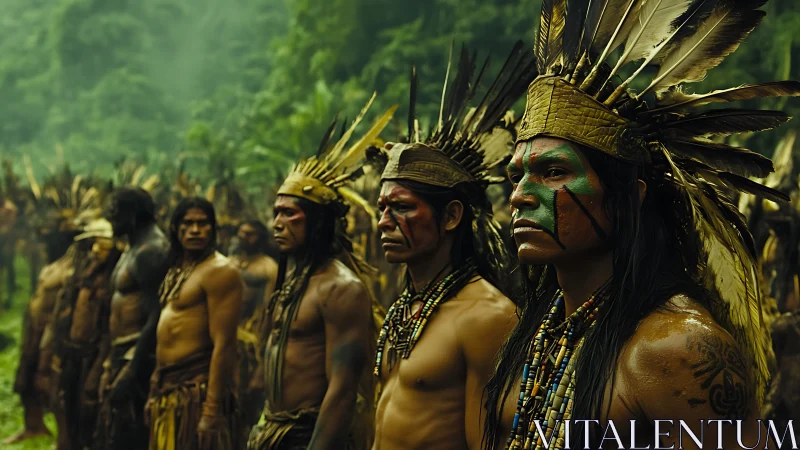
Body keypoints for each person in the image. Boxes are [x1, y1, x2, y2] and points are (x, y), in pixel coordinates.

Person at [484, 1, 800, 448]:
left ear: (628, 196)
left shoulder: (679, 349)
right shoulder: (536, 336)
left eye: (554, 172)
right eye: (516, 175)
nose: (519, 194)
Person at [368, 44, 534, 450]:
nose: (384, 221)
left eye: (402, 208)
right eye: (382, 208)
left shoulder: (486, 316)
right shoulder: (404, 306)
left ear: (451, 216)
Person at [248, 95, 394, 450]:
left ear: (316, 222)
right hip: (273, 430)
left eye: (289, 214)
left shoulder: (340, 288)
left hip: (309, 435)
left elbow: (343, 390)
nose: (277, 223)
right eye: (276, 212)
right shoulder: (292, 280)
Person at [145, 197, 243, 450]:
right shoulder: (180, 267)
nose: (195, 230)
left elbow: (225, 343)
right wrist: (156, 385)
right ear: (176, 228)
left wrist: (211, 410)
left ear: (213, 228)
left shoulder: (220, 271)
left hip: (196, 391)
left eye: (203, 224)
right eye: (188, 224)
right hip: (169, 388)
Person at [95, 187, 169, 450]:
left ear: (133, 214)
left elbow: (157, 315)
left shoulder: (152, 251)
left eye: (114, 211)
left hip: (139, 356)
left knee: (135, 435)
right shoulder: (133, 248)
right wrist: (108, 364)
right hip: (122, 352)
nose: (109, 218)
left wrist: (132, 368)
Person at [53, 219, 121, 450]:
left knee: (90, 411)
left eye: (101, 246)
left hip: (96, 353)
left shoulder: (116, 276)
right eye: (94, 244)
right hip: (74, 349)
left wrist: (102, 363)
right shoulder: (87, 269)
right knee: (68, 404)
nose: (95, 250)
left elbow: (110, 326)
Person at [5, 233, 75, 444]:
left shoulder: (70, 270)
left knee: (51, 388)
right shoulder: (54, 266)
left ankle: (63, 440)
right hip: (34, 331)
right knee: (25, 379)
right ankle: (33, 426)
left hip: (51, 334)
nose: (42, 249)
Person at [229, 219, 279, 437]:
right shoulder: (228, 263)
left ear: (260, 238)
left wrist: (262, 364)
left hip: (253, 341)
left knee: (249, 398)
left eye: (250, 233)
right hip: (230, 334)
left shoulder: (269, 267)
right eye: (242, 232)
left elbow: (270, 310)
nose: (244, 237)